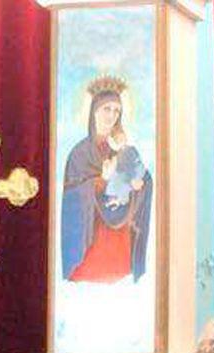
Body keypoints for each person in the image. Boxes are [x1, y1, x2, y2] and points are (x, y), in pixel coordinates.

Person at [61, 76, 152, 284]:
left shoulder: (124, 150)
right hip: (93, 249)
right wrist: (101, 180)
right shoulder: (79, 153)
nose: (112, 115)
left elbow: (142, 177)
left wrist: (138, 184)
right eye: (106, 109)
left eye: (116, 110)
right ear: (94, 111)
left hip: (120, 247)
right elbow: (71, 198)